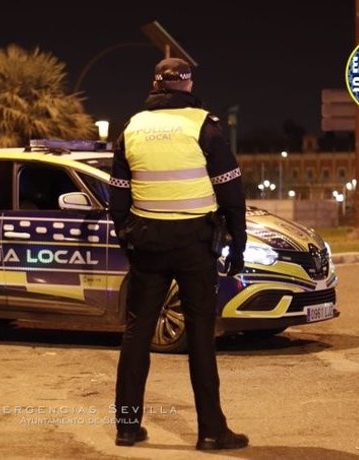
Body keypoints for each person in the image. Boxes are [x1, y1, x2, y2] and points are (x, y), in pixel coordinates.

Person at [109, 57, 249, 451]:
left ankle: (126, 427)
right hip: (194, 244)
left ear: (155, 85)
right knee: (201, 336)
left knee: (137, 333)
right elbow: (231, 193)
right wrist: (237, 244)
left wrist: (129, 238)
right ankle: (211, 431)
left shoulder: (131, 128)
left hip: (147, 244)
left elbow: (118, 197)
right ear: (187, 86)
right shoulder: (204, 126)